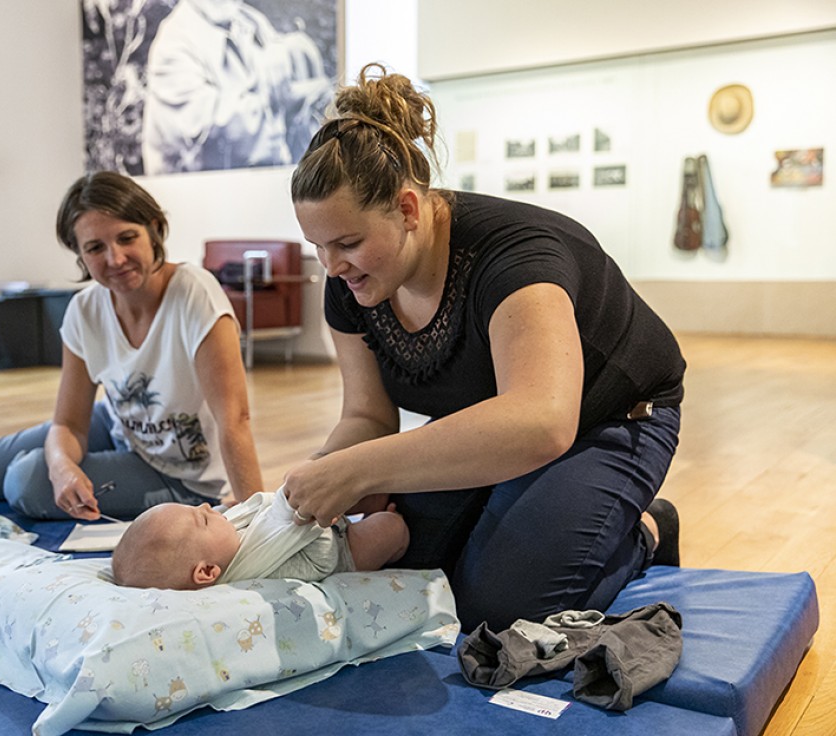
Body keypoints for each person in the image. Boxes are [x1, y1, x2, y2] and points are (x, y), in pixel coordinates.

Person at [281, 64, 686, 632]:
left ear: (407, 209)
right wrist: (315, 481)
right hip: (492, 425)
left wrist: (360, 471)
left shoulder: (515, 257)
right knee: (402, 560)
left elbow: (542, 421)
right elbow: (367, 415)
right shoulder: (350, 281)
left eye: (347, 243)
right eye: (317, 247)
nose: (332, 266)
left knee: (498, 609)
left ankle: (645, 529)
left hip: (611, 419)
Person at [0, 172, 263, 521]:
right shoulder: (85, 309)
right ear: (80, 255)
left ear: (153, 230)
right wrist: (61, 465)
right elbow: (70, 424)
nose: (115, 259)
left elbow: (234, 419)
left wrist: (258, 519)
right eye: (95, 248)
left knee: (24, 483)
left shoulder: (195, 294)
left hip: (180, 473)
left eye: (127, 238)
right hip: (122, 423)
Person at [141, 0, 330, 174]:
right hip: (202, 197)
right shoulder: (174, 42)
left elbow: (284, 76)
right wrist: (284, 101)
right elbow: (211, 134)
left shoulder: (248, 20)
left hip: (259, 188)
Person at [110, 487, 408, 590]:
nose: (205, 507)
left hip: (323, 520)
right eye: (201, 518)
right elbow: (320, 565)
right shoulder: (255, 572)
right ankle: (382, 526)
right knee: (391, 527)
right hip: (345, 550)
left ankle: (368, 505)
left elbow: (255, 517)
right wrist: (316, 526)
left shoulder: (221, 544)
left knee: (357, 488)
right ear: (206, 572)